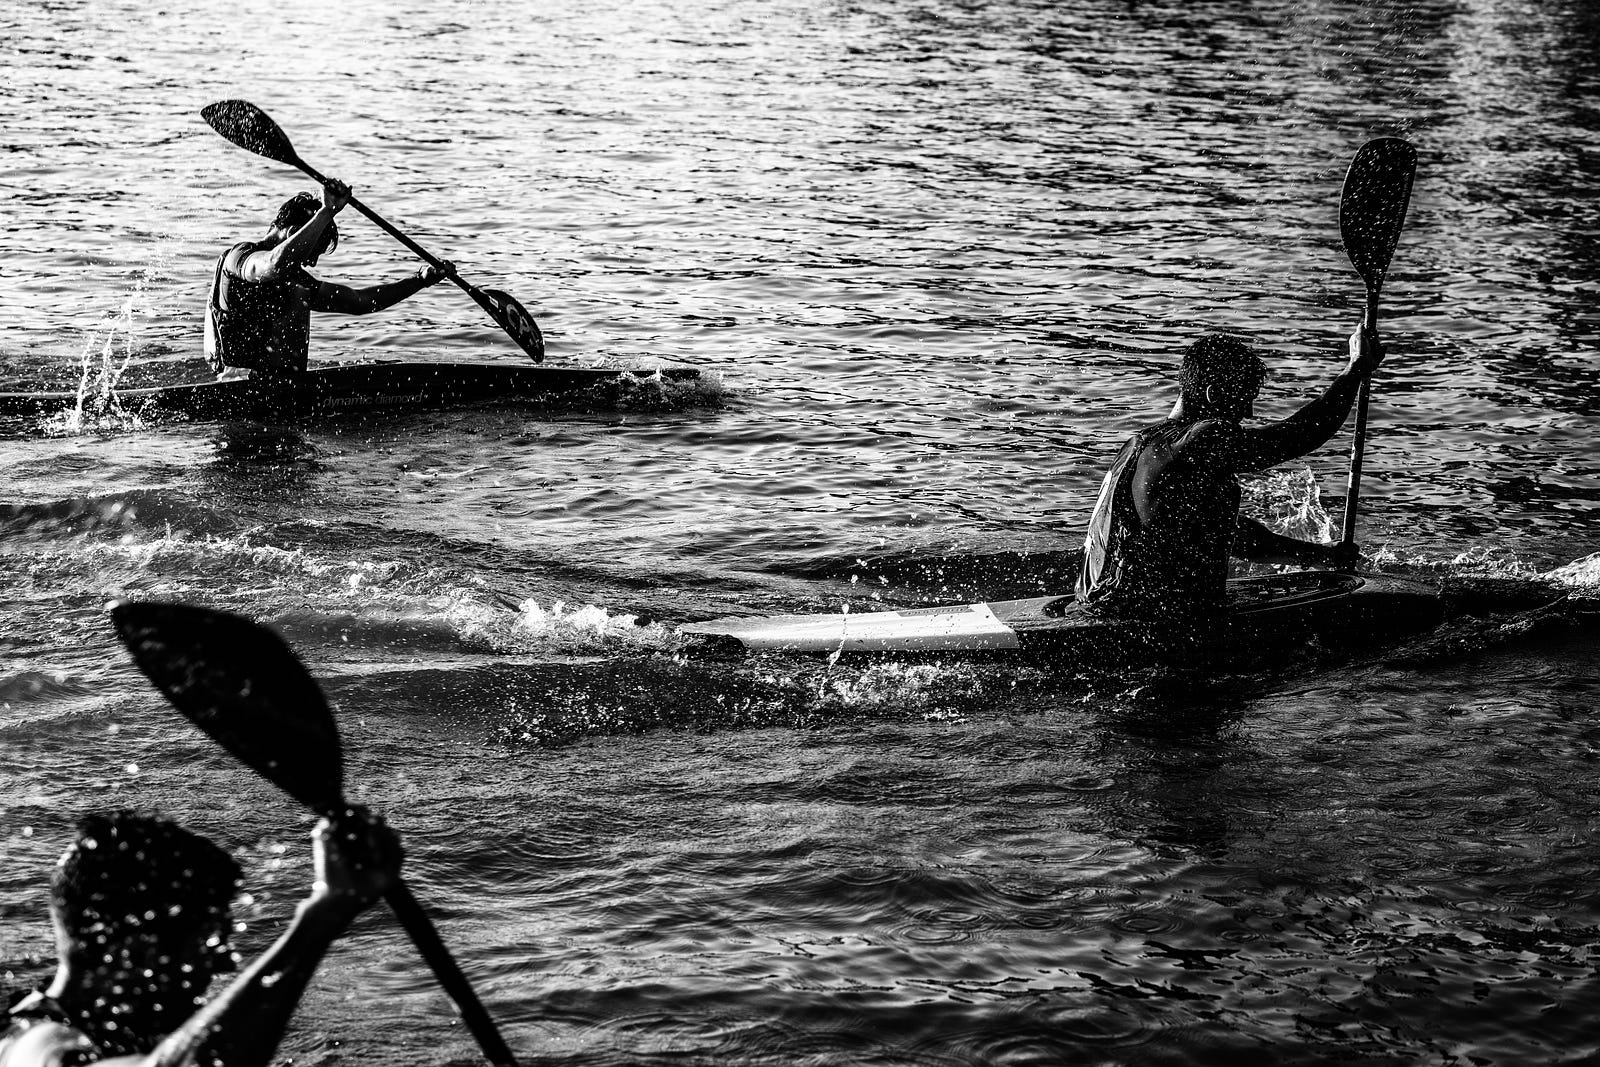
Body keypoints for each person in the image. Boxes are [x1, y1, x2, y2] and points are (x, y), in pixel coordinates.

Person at [1, 808, 401, 1067]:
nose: (226, 961)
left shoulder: (113, 1026)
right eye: (207, 943)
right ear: (132, 951)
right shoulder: (34, 1044)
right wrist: (319, 918)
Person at [1076, 327, 1385, 626]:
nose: (1248, 412)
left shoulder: (1138, 444)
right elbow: (1299, 436)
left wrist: (1319, 556)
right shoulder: (1203, 437)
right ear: (1214, 394)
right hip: (1151, 623)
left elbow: (1225, 533)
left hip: (1100, 609)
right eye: (1244, 398)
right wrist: (1354, 372)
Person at [203, 178, 454, 381]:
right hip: (237, 383)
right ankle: (289, 385)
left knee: (299, 289)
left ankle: (291, 384)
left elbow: (359, 302)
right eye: (314, 251)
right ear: (292, 233)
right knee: (298, 291)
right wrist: (327, 211)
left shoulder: (291, 278)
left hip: (269, 384)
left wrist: (421, 280)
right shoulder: (241, 259)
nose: (312, 263)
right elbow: (272, 265)